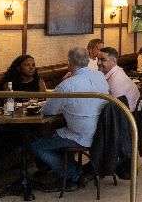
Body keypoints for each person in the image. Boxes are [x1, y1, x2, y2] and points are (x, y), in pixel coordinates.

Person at [30, 47, 109, 187]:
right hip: (101, 131)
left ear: (69, 62)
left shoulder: (67, 85)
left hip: (81, 136)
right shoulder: (100, 76)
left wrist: (62, 84)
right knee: (55, 135)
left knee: (37, 145)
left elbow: (49, 110)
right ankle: (73, 169)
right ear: (87, 60)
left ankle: (74, 174)